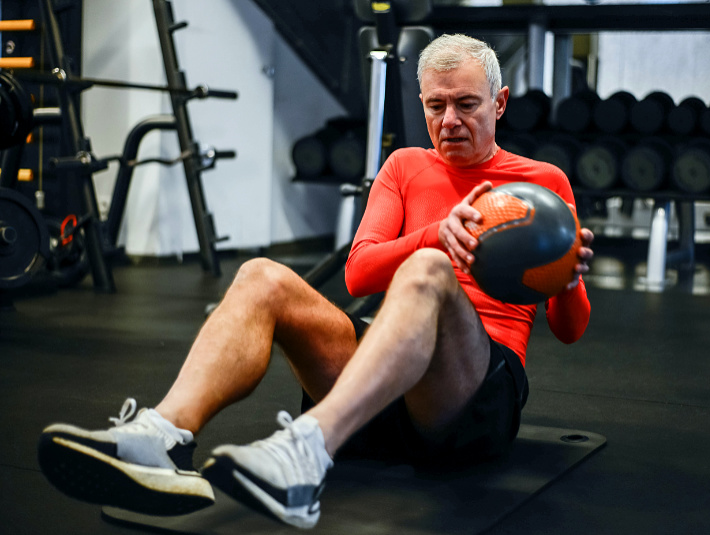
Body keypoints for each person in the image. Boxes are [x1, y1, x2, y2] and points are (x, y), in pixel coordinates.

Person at [37, 34, 593, 529]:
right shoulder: (404, 166)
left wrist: (566, 276)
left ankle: (306, 454)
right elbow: (359, 271)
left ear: (498, 103)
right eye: (435, 105)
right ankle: (160, 438)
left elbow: (569, 331)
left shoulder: (542, 183)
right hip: (381, 389)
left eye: (467, 104)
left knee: (429, 271)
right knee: (261, 276)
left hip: (470, 401)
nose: (450, 120)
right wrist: (434, 234)